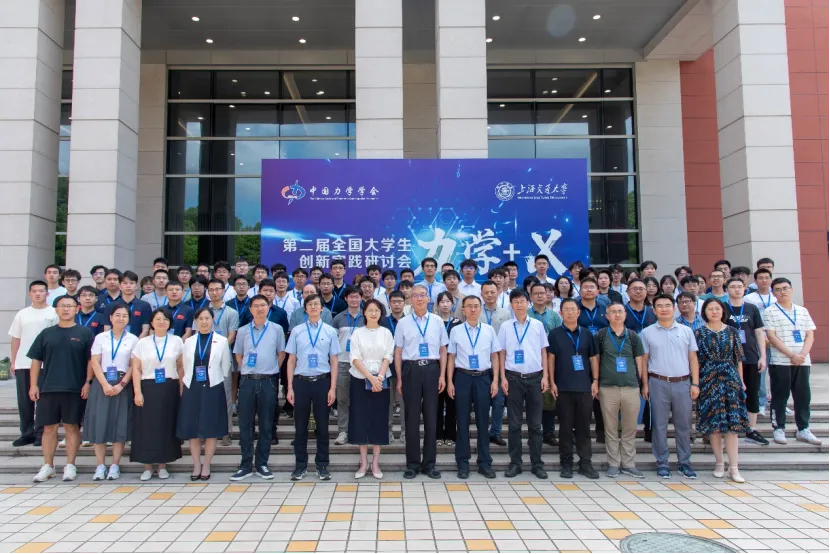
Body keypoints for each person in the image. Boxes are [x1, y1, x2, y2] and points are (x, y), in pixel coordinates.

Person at [28, 295, 94, 482]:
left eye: (70, 306)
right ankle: (48, 466)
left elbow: (91, 361)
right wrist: (33, 384)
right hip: (48, 387)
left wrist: (87, 382)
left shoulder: (85, 333)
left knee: (72, 427)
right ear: (56, 309)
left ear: (77, 309)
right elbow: (36, 360)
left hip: (74, 388)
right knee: (49, 428)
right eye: (62, 306)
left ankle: (70, 465)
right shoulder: (46, 334)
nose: (66, 309)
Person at [641, 294, 699, 479]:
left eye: (667, 305)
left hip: (682, 382)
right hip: (657, 382)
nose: (664, 309)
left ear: (674, 308)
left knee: (684, 425)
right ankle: (662, 462)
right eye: (660, 306)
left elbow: (693, 358)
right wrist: (645, 384)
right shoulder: (647, 332)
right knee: (659, 425)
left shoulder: (686, 331)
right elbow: (644, 361)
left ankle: (684, 462)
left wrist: (695, 383)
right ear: (654, 310)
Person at [394, 284, 449, 479]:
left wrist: (442, 376)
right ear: (411, 299)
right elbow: (398, 352)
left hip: (432, 369)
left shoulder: (437, 321)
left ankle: (430, 464)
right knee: (411, 419)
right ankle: (412, 464)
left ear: (428, 299)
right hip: (411, 370)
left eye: (422, 295)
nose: (419, 298)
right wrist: (399, 378)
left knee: (432, 418)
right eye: (415, 295)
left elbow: (443, 350)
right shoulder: (403, 323)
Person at [231, 295, 286, 480]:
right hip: (247, 381)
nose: (260, 308)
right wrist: (249, 369)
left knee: (266, 424)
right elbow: (239, 355)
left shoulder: (277, 329)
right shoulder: (242, 331)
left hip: (268, 381)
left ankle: (262, 463)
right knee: (245, 424)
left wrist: (270, 369)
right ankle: (245, 464)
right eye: (256, 305)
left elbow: (281, 354)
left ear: (269, 307)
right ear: (250, 309)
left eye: (263, 305)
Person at [695, 299, 749, 483]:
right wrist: (696, 383)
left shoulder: (732, 331)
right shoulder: (699, 333)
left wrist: (741, 381)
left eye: (717, 308)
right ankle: (719, 463)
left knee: (732, 426)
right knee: (714, 425)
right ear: (704, 312)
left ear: (723, 311)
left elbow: (738, 359)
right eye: (710, 309)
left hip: (730, 378)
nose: (714, 311)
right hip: (708, 380)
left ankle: (734, 467)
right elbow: (695, 360)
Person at [286, 294, 339, 481]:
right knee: (300, 427)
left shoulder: (330, 331)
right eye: (310, 304)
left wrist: (332, 388)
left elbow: (334, 360)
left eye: (317, 304)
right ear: (305, 309)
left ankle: (322, 465)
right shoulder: (297, 331)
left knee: (323, 426)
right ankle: (300, 465)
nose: (314, 307)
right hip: (300, 382)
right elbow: (291, 360)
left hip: (322, 382)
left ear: (322, 309)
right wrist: (290, 387)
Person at [447, 295, 500, 479]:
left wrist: (495, 380)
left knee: (483, 422)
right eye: (469, 306)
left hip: (483, 378)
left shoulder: (489, 330)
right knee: (462, 421)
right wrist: (450, 381)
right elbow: (451, 357)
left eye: (476, 306)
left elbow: (495, 356)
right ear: (463, 309)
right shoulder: (456, 331)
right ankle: (463, 462)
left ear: (480, 308)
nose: (472, 309)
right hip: (462, 377)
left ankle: (484, 462)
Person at [763, 277, 821, 446]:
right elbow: (771, 336)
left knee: (803, 395)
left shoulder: (802, 311)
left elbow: (810, 335)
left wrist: (802, 354)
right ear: (774, 293)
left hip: (802, 361)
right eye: (778, 289)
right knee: (780, 395)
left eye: (785, 288)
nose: (783, 292)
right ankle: (778, 428)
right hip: (780, 361)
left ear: (792, 290)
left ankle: (803, 429)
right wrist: (791, 355)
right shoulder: (770, 311)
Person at [498, 289, 549, 479]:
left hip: (535, 378)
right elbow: (502, 353)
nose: (519, 304)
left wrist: (545, 376)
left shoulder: (537, 325)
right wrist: (502, 378)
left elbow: (543, 351)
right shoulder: (505, 327)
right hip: (513, 378)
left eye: (522, 301)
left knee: (535, 425)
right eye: (516, 301)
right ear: (511, 305)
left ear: (528, 303)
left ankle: (537, 464)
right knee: (514, 425)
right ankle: (515, 463)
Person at [84, 304, 138, 480]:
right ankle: (100, 465)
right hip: (102, 383)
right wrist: (105, 384)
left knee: (120, 425)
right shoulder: (101, 338)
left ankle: (115, 465)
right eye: (117, 315)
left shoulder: (133, 339)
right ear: (111, 317)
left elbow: (134, 366)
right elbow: (95, 362)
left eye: (124, 316)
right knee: (99, 424)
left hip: (123, 383)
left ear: (128, 319)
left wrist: (122, 384)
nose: (120, 318)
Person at [178, 307, 232, 481]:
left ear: (212, 320)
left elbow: (225, 366)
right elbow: (185, 364)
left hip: (213, 386)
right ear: (195, 321)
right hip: (192, 386)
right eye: (200, 318)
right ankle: (196, 465)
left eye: (207, 318)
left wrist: (213, 378)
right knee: (192, 428)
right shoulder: (189, 341)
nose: (204, 322)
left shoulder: (221, 341)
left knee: (211, 428)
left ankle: (207, 464)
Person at [548, 298, 599, 479]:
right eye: (566, 309)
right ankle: (566, 462)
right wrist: (552, 382)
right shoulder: (554, 334)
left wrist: (595, 380)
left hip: (584, 387)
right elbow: (551, 359)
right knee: (565, 428)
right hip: (563, 387)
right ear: (560, 313)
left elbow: (593, 358)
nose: (570, 312)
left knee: (584, 427)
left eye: (573, 309)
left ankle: (585, 462)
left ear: (579, 312)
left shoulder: (587, 334)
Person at [130, 309, 184, 481]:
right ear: (151, 322)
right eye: (158, 319)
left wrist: (181, 387)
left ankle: (162, 465)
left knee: (166, 426)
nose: (161, 322)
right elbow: (136, 368)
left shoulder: (176, 341)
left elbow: (180, 367)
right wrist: (137, 392)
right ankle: (147, 466)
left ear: (170, 323)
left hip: (169, 388)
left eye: (165, 319)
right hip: (148, 387)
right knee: (146, 427)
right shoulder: (142, 343)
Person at [595, 301, 646, 478]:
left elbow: (640, 362)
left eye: (620, 311)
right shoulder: (601, 335)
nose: (617, 314)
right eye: (613, 312)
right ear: (607, 316)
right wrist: (596, 382)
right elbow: (596, 361)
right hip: (608, 388)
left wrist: (641, 384)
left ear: (625, 315)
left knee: (630, 428)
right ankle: (613, 463)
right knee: (610, 428)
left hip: (631, 387)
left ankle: (629, 464)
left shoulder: (633, 336)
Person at [348, 299, 394, 479]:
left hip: (381, 380)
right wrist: (370, 377)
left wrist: (379, 378)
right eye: (370, 310)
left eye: (377, 310)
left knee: (378, 419)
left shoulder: (386, 333)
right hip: (360, 379)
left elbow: (388, 355)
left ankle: (375, 461)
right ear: (364, 313)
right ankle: (363, 461)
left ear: (381, 313)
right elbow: (354, 357)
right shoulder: (358, 333)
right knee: (360, 419)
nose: (373, 313)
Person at [9, 282, 57, 447]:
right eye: (34, 291)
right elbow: (16, 338)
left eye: (41, 291)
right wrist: (14, 360)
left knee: (43, 400)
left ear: (47, 294)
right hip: (23, 363)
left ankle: (40, 433)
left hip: (45, 364)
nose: (38, 294)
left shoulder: (54, 313)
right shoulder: (22, 314)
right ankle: (26, 433)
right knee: (24, 400)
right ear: (30, 294)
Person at [723, 278, 768, 446]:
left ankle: (751, 429)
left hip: (750, 357)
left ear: (745, 289)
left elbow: (759, 333)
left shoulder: (751, 308)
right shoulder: (722, 308)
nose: (736, 289)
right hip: (729, 359)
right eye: (732, 287)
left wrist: (763, 356)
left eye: (739, 287)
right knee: (730, 394)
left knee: (752, 393)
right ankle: (730, 428)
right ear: (727, 289)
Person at [528, 282, 563, 447]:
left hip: (550, 359)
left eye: (543, 293)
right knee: (533, 401)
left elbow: (559, 337)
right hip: (531, 361)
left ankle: (549, 433)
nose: (540, 296)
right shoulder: (526, 314)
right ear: (531, 296)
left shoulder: (554, 316)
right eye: (536, 293)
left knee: (549, 399)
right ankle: (533, 434)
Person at [206, 279, 239, 446]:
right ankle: (207, 430)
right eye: (211, 289)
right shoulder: (202, 312)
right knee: (206, 397)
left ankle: (226, 431)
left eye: (217, 289)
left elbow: (231, 336)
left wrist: (217, 349)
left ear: (223, 290)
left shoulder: (232, 312)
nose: (214, 292)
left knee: (226, 396)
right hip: (205, 360)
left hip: (224, 359)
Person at [332, 286, 365, 446]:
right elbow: (333, 342)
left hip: (362, 365)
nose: (354, 299)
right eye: (351, 296)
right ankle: (343, 431)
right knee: (343, 399)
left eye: (356, 296)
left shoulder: (367, 316)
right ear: (346, 298)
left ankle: (359, 429)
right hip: (343, 363)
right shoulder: (338, 318)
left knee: (361, 399)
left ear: (361, 298)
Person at [481, 281, 512, 447]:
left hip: (500, 360)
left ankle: (496, 432)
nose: (489, 295)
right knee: (482, 400)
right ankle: (482, 431)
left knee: (499, 399)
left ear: (498, 293)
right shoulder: (475, 310)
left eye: (492, 292)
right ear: (481, 294)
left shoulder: (505, 314)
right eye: (486, 292)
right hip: (480, 361)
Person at [435, 291, 462, 446]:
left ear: (453, 304)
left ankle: (451, 435)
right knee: (437, 403)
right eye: (442, 302)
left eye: (447, 301)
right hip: (436, 367)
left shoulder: (458, 323)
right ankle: (438, 435)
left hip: (454, 367)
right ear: (437, 305)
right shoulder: (434, 321)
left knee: (452, 402)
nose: (445, 305)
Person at [381, 290, 407, 442]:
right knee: (388, 402)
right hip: (387, 367)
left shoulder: (410, 321)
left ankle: (405, 431)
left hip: (406, 367)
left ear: (405, 303)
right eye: (394, 302)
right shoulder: (383, 322)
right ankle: (388, 431)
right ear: (389, 304)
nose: (397, 304)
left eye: (400, 301)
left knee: (405, 402)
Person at [104, 271, 152, 338]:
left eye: (131, 283)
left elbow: (145, 329)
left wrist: (137, 342)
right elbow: (107, 328)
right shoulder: (111, 306)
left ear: (136, 286)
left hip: (137, 341)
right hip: (115, 341)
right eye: (125, 283)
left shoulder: (144, 306)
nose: (128, 286)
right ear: (120, 286)